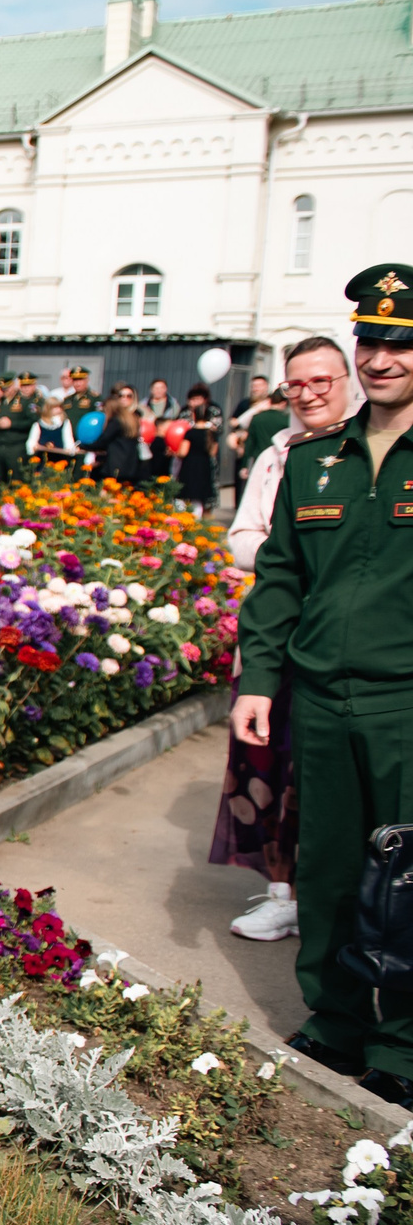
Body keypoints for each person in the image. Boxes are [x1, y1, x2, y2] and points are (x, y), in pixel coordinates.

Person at [234, 265, 413, 1106]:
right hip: (322, 699)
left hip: (405, 700)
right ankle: (336, 1019)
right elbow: (279, 579)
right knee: (330, 864)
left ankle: (402, 1042)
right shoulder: (315, 461)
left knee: (408, 874)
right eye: (370, 341)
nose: (381, 358)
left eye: (399, 343)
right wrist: (259, 680)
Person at [216, 337, 355, 943]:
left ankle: (345, 901)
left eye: (322, 381)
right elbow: (241, 538)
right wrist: (291, 546)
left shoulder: (373, 448)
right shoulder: (278, 454)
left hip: (345, 641)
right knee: (268, 766)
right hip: (277, 633)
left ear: (347, 381)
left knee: (332, 777)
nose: (309, 394)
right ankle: (282, 893)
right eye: (296, 384)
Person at [174, 385, 220, 507]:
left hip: (190, 466)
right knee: (200, 499)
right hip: (205, 467)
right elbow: (213, 452)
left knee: (188, 497)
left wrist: (176, 452)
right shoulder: (212, 433)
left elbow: (183, 452)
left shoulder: (190, 433)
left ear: (193, 415)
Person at [25, 398, 80, 471]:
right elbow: (32, 441)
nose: (58, 410)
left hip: (60, 460)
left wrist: (71, 450)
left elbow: (68, 439)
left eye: (59, 407)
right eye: (55, 408)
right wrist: (34, 447)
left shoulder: (65, 423)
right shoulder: (39, 424)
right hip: (43, 459)